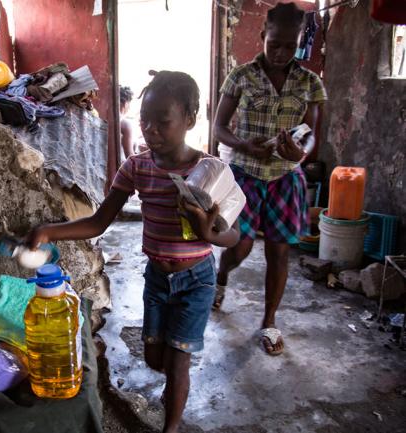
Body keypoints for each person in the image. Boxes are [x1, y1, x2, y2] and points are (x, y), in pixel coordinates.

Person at [28, 71, 239, 433]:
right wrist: (49, 231)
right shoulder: (137, 167)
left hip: (196, 280)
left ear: (190, 119)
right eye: (145, 121)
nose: (151, 130)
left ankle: (170, 426)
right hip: (157, 279)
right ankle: (174, 380)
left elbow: (234, 236)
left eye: (162, 121)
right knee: (156, 357)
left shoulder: (210, 173)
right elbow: (99, 222)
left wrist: (209, 233)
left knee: (179, 362)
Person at [213, 2, 327, 356]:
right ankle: (221, 275)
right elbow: (219, 127)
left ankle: (269, 321)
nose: (281, 53)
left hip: (285, 178)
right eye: (274, 44)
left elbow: (311, 134)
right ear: (263, 35)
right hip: (245, 175)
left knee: (279, 252)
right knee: (240, 246)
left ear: (300, 44)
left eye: (290, 46)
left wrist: (300, 153)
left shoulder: (310, 83)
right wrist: (243, 145)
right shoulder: (240, 76)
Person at [119, 85, 134, 162]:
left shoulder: (103, 119)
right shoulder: (125, 124)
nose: (129, 108)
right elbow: (130, 157)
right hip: (121, 167)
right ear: (125, 103)